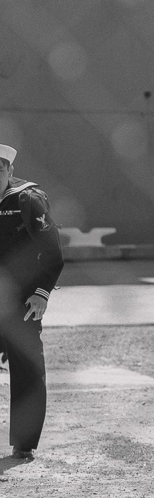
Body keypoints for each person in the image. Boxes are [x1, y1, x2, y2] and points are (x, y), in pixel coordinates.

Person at [0, 144, 64, 460]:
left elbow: (52, 254)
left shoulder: (27, 199)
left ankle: (23, 443)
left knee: (26, 369)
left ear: (10, 171)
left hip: (21, 301)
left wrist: (41, 293)